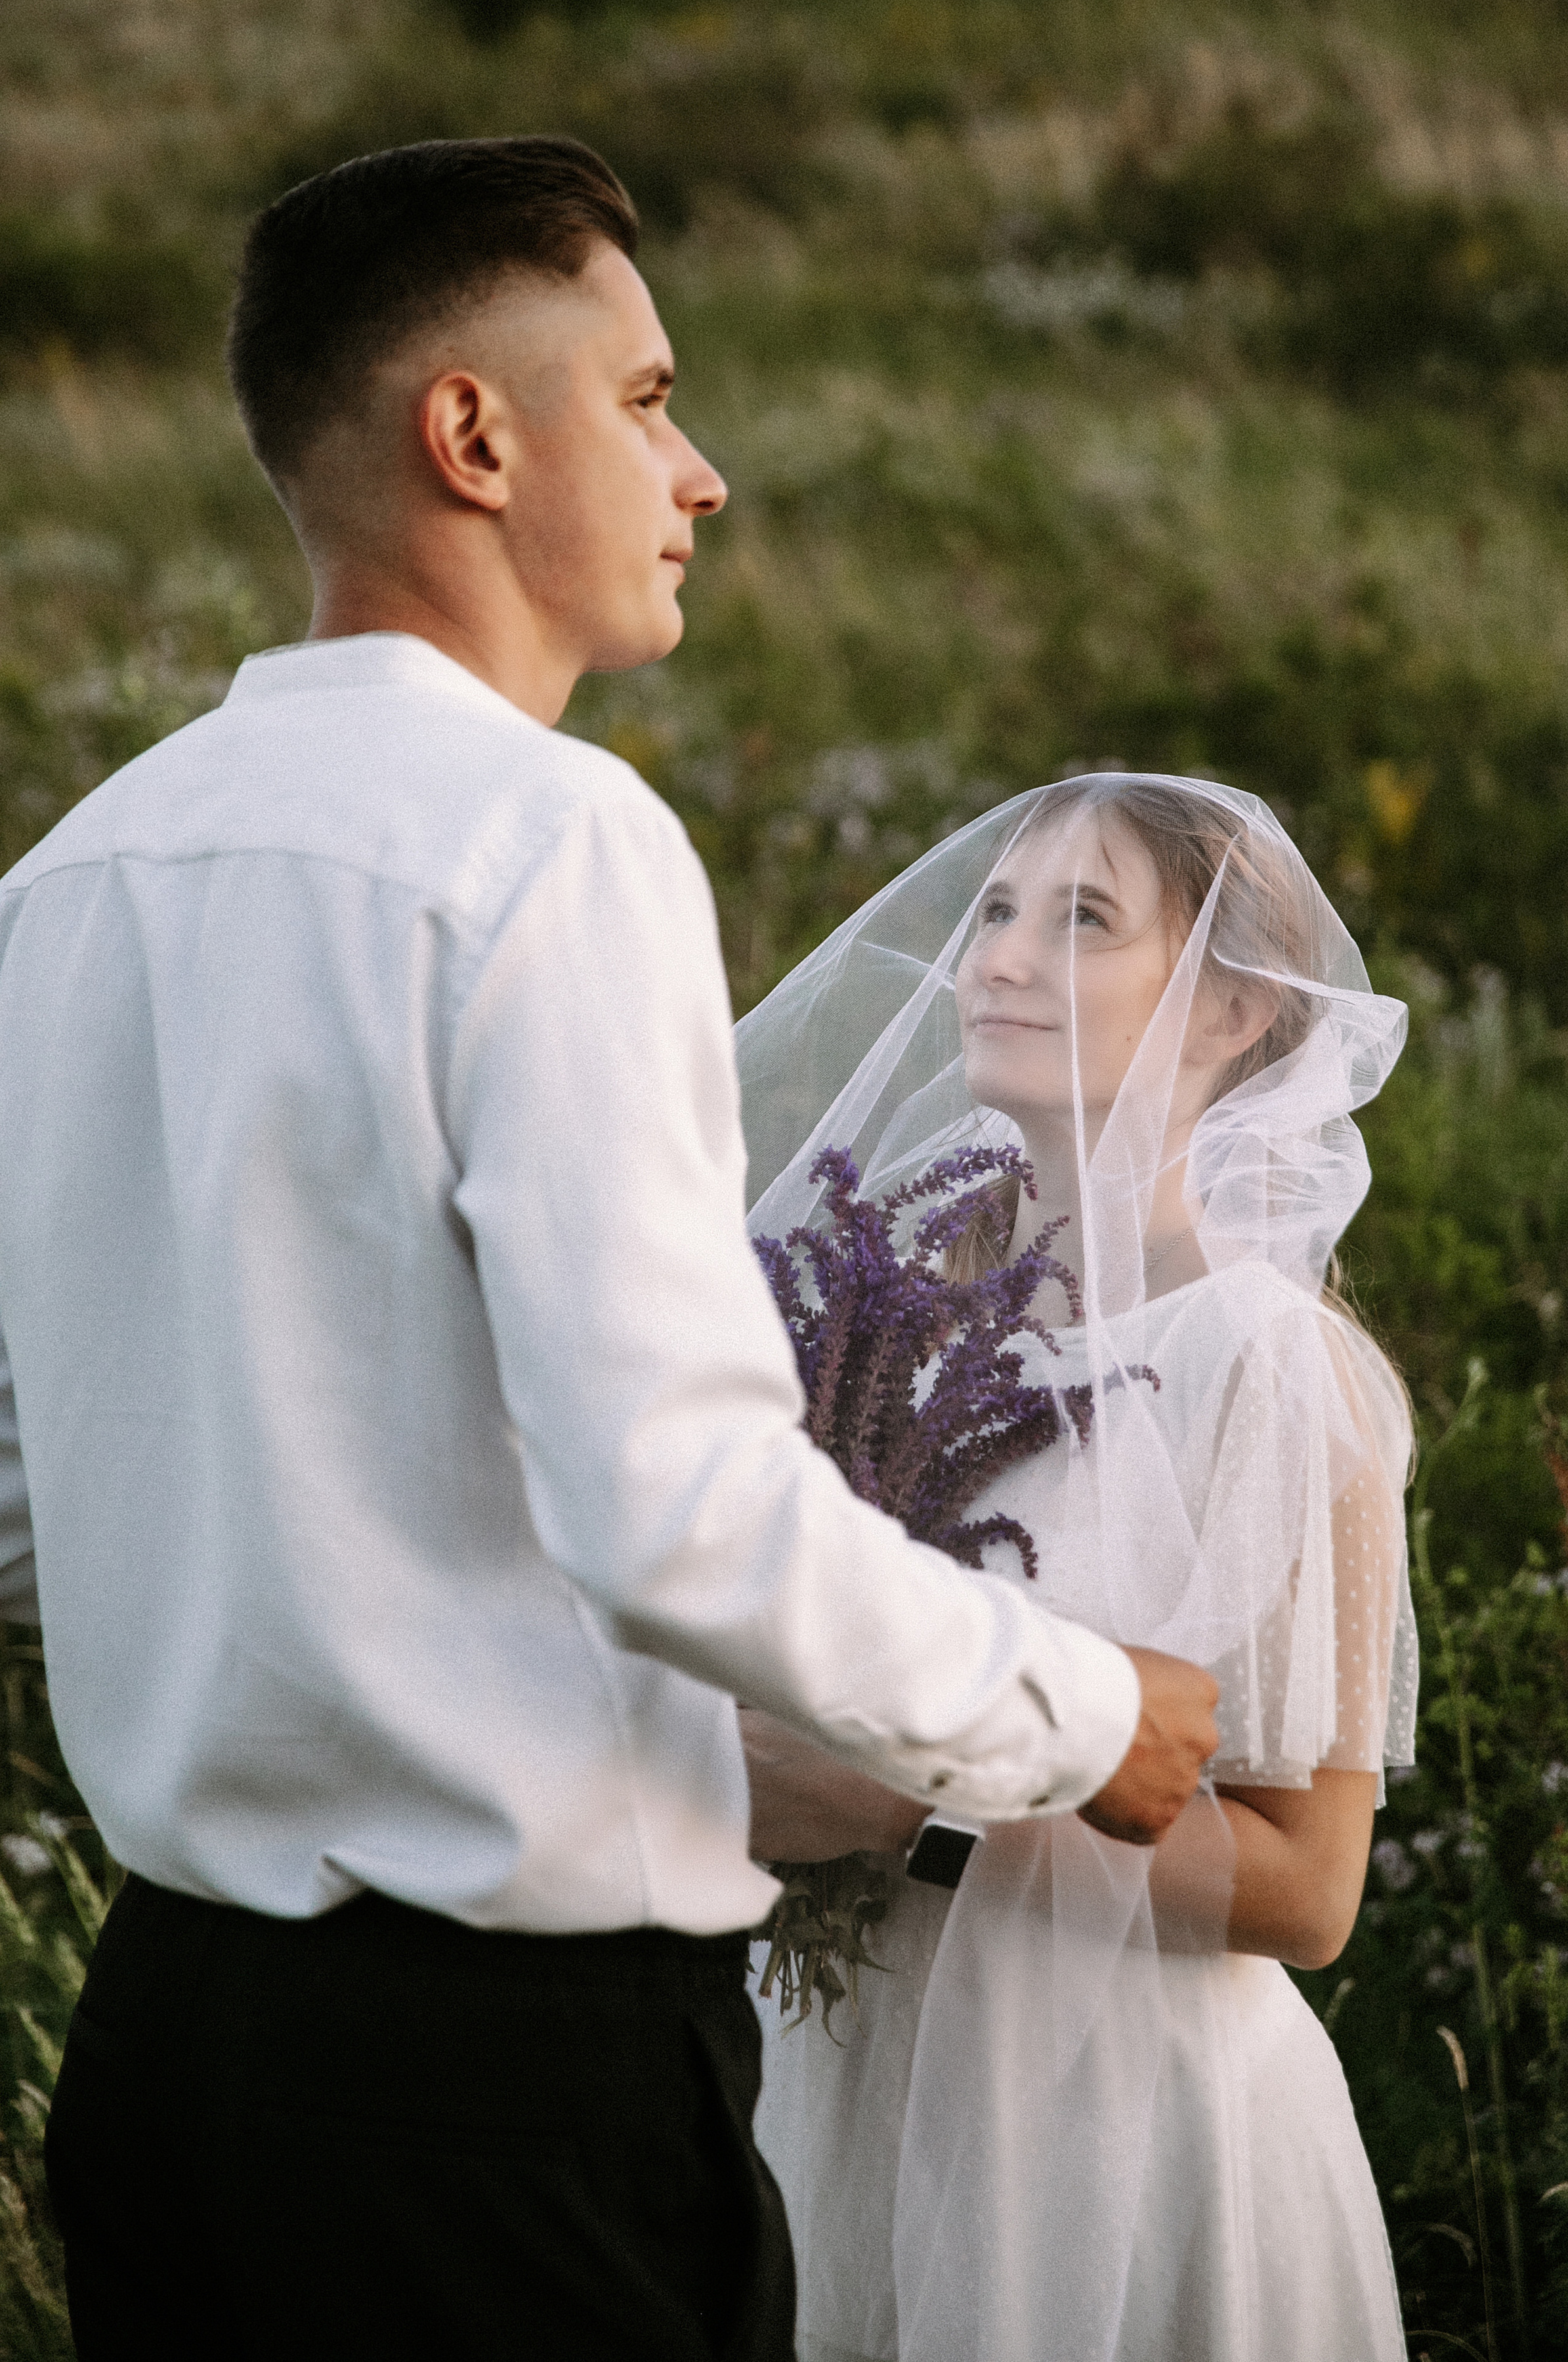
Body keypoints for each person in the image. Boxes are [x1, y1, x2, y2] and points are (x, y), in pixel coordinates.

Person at [0, 138, 1221, 2359]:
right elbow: (679, 1509)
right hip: (499, 2112)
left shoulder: (70, 882)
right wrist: (1080, 1714)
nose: (703, 471)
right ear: (472, 437)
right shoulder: (550, 844)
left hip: (166, 2059)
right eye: (648, 399)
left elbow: (20, 1496)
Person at [735, 775, 1420, 2362]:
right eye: (994, 911)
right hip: (849, 2082)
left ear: (1232, 1010)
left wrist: (908, 1811)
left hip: (1111, 2141)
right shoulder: (885, 1346)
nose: (995, 958)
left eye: (1082, 920)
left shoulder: (1274, 1368)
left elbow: (1308, 1890)